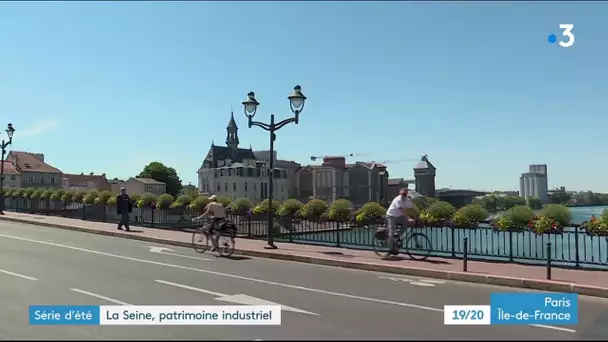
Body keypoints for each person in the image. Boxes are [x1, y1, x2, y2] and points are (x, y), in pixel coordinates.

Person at [385, 188, 415, 255]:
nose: (403, 195)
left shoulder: (407, 200)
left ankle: (397, 235)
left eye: (404, 194)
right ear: (400, 194)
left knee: (407, 223)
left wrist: (416, 217)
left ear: (407, 194)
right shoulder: (397, 200)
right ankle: (390, 249)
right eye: (402, 194)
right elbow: (402, 210)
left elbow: (411, 209)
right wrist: (408, 218)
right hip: (391, 215)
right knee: (391, 232)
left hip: (399, 216)